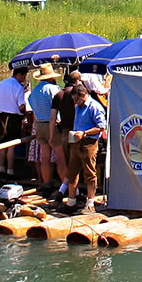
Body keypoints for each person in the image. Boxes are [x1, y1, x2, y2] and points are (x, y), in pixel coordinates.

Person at [66, 82, 108, 214]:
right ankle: (71, 201)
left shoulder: (94, 107)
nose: (75, 101)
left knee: (89, 173)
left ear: (82, 95)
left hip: (89, 142)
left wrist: (84, 133)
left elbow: (101, 126)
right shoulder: (78, 107)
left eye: (76, 99)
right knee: (72, 172)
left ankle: (90, 203)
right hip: (76, 142)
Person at [25, 64, 64, 191]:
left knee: (45, 157)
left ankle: (47, 183)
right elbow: (58, 107)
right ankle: (65, 185)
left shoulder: (34, 92)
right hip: (51, 124)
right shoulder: (54, 89)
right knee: (60, 156)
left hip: (40, 125)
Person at [52, 72, 85, 200]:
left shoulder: (59, 94)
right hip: (76, 131)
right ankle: (73, 193)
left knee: (68, 162)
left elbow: (52, 118)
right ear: (77, 81)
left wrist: (51, 134)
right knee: (76, 163)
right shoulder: (77, 94)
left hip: (64, 132)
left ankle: (69, 191)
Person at [0, 66, 29, 178]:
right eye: (24, 76)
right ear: (19, 74)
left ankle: (1, 168)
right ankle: (10, 170)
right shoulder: (18, 87)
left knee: (3, 143)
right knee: (11, 144)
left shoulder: (1, 84)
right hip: (14, 117)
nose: (24, 78)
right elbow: (21, 106)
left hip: (2, 115)